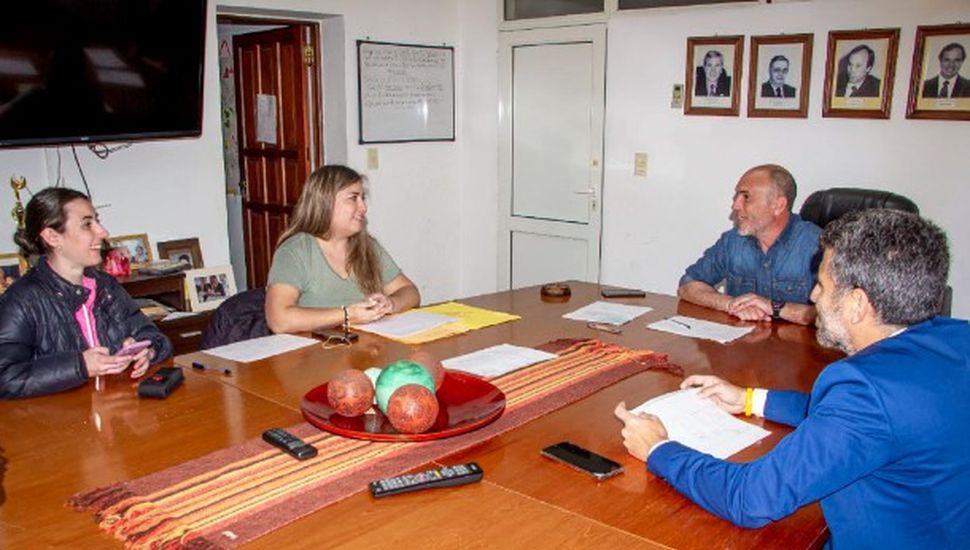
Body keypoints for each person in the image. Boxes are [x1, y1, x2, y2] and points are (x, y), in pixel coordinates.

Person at [616, 209, 969, 549]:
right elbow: (864, 421)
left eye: (823, 285)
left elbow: (751, 497)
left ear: (858, 304)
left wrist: (659, 448)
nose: (814, 296)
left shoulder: (865, 388)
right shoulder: (956, 340)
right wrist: (750, 399)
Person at [0, 188, 172, 399]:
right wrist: (79, 366)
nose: (103, 232)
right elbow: (5, 378)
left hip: (115, 412)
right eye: (87, 224)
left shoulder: (106, 286)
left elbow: (153, 336)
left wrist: (147, 351)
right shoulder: (21, 299)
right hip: (54, 425)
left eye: (97, 221)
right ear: (53, 236)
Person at [265, 165, 420, 333]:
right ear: (325, 202)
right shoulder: (296, 251)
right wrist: (346, 315)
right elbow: (279, 320)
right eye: (353, 198)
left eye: (363, 198)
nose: (363, 207)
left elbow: (410, 292)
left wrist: (391, 303)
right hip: (314, 353)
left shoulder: (367, 246)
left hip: (364, 349)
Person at [678, 164, 820, 325]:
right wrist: (730, 304)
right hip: (744, 343)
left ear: (778, 205)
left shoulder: (817, 245)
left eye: (746, 197)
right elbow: (688, 285)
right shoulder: (733, 241)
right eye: (737, 196)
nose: (735, 205)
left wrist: (773, 307)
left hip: (799, 347)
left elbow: (837, 315)